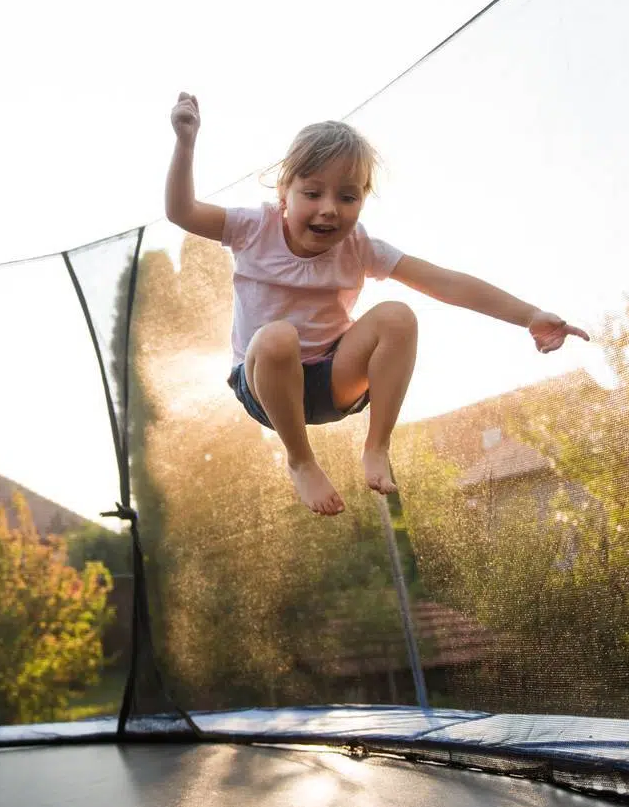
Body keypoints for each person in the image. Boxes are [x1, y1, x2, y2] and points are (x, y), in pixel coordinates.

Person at [165, 92, 587, 516]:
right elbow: (182, 211)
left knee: (397, 316)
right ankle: (301, 459)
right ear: (283, 193)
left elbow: (445, 283)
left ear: (362, 200)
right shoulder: (252, 227)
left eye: (347, 198)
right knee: (278, 338)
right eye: (312, 193)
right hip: (266, 383)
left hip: (333, 380)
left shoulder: (359, 246)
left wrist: (529, 315)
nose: (329, 209)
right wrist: (186, 143)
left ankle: (378, 444)